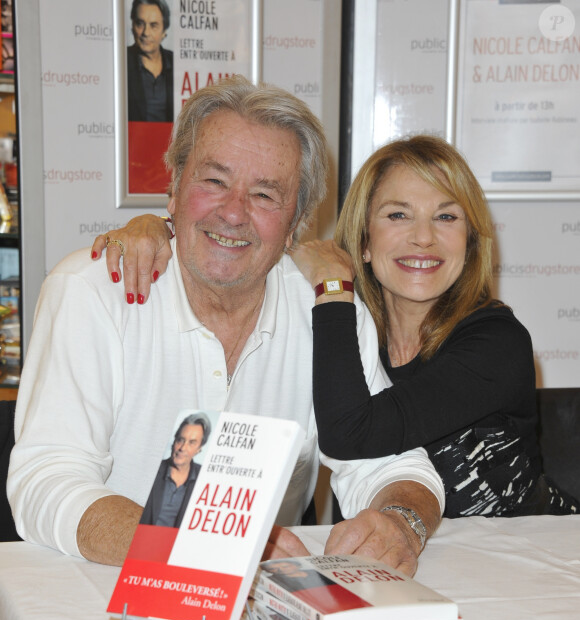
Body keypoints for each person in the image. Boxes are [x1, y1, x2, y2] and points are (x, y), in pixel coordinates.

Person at [8, 77, 444, 576]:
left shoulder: (326, 310)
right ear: (172, 187)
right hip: (101, 594)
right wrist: (199, 546)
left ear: (297, 220)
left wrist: (400, 519)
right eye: (214, 181)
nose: (234, 212)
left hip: (266, 606)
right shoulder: (93, 292)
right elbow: (45, 480)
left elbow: (394, 465)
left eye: (264, 194)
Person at [105, 135, 578, 518]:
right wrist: (158, 228)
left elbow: (349, 436)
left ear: (470, 241)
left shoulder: (497, 343)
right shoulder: (351, 323)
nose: (423, 237)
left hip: (528, 571)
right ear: (365, 241)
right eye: (398, 215)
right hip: (403, 577)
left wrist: (332, 287)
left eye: (446, 216)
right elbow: (241, 236)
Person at [140, 413, 211, 527]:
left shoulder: (205, 478)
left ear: (199, 449)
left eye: (191, 443)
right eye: (180, 440)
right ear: (174, 441)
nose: (182, 448)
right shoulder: (154, 469)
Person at [127, 0, 173, 122]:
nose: (146, 33)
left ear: (164, 31)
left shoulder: (176, 62)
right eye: (140, 24)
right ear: (132, 27)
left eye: (153, 25)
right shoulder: (122, 62)